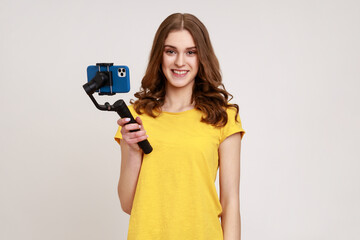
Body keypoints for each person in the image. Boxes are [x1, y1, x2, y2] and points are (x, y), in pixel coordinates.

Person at [115, 13, 245, 240]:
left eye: (191, 52)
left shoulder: (223, 116)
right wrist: (134, 151)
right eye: (171, 51)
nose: (180, 62)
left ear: (201, 57)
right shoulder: (136, 116)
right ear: (160, 56)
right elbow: (127, 204)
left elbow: (230, 202)